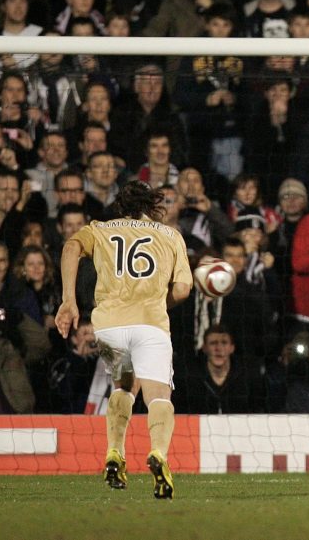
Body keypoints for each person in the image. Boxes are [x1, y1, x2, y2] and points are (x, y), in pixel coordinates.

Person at [55, 181, 193, 499]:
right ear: (152, 206)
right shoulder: (171, 235)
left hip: (110, 325)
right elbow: (183, 290)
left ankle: (114, 452)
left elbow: (71, 247)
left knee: (123, 387)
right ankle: (158, 454)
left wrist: (69, 300)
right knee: (158, 396)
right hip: (150, 325)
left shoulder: (100, 228)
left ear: (120, 206)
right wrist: (159, 302)